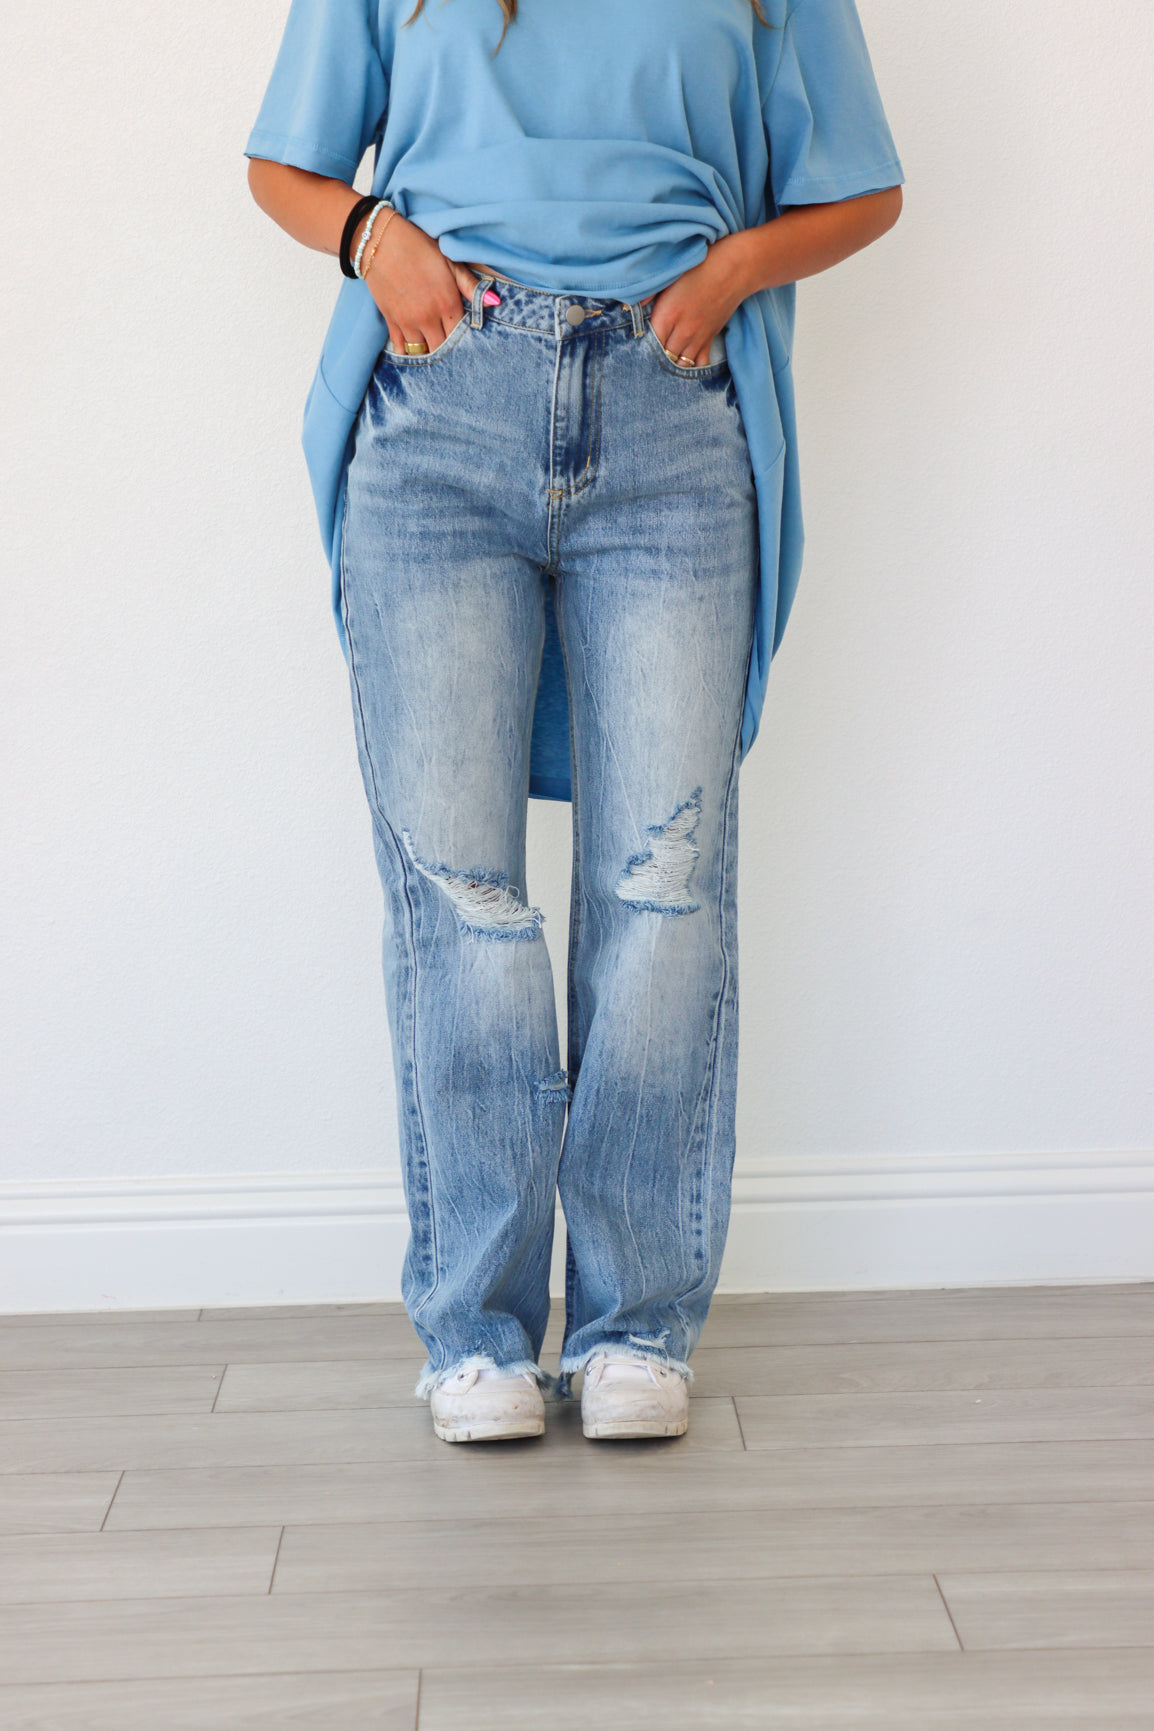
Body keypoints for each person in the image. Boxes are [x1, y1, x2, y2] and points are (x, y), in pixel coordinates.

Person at [245, 0, 904, 1445]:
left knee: (659, 889)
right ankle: (472, 1334)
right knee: (458, 893)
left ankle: (633, 1325)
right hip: (437, 417)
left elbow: (862, 187)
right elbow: (282, 167)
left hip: (671, 414)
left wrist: (732, 271)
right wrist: (376, 243)